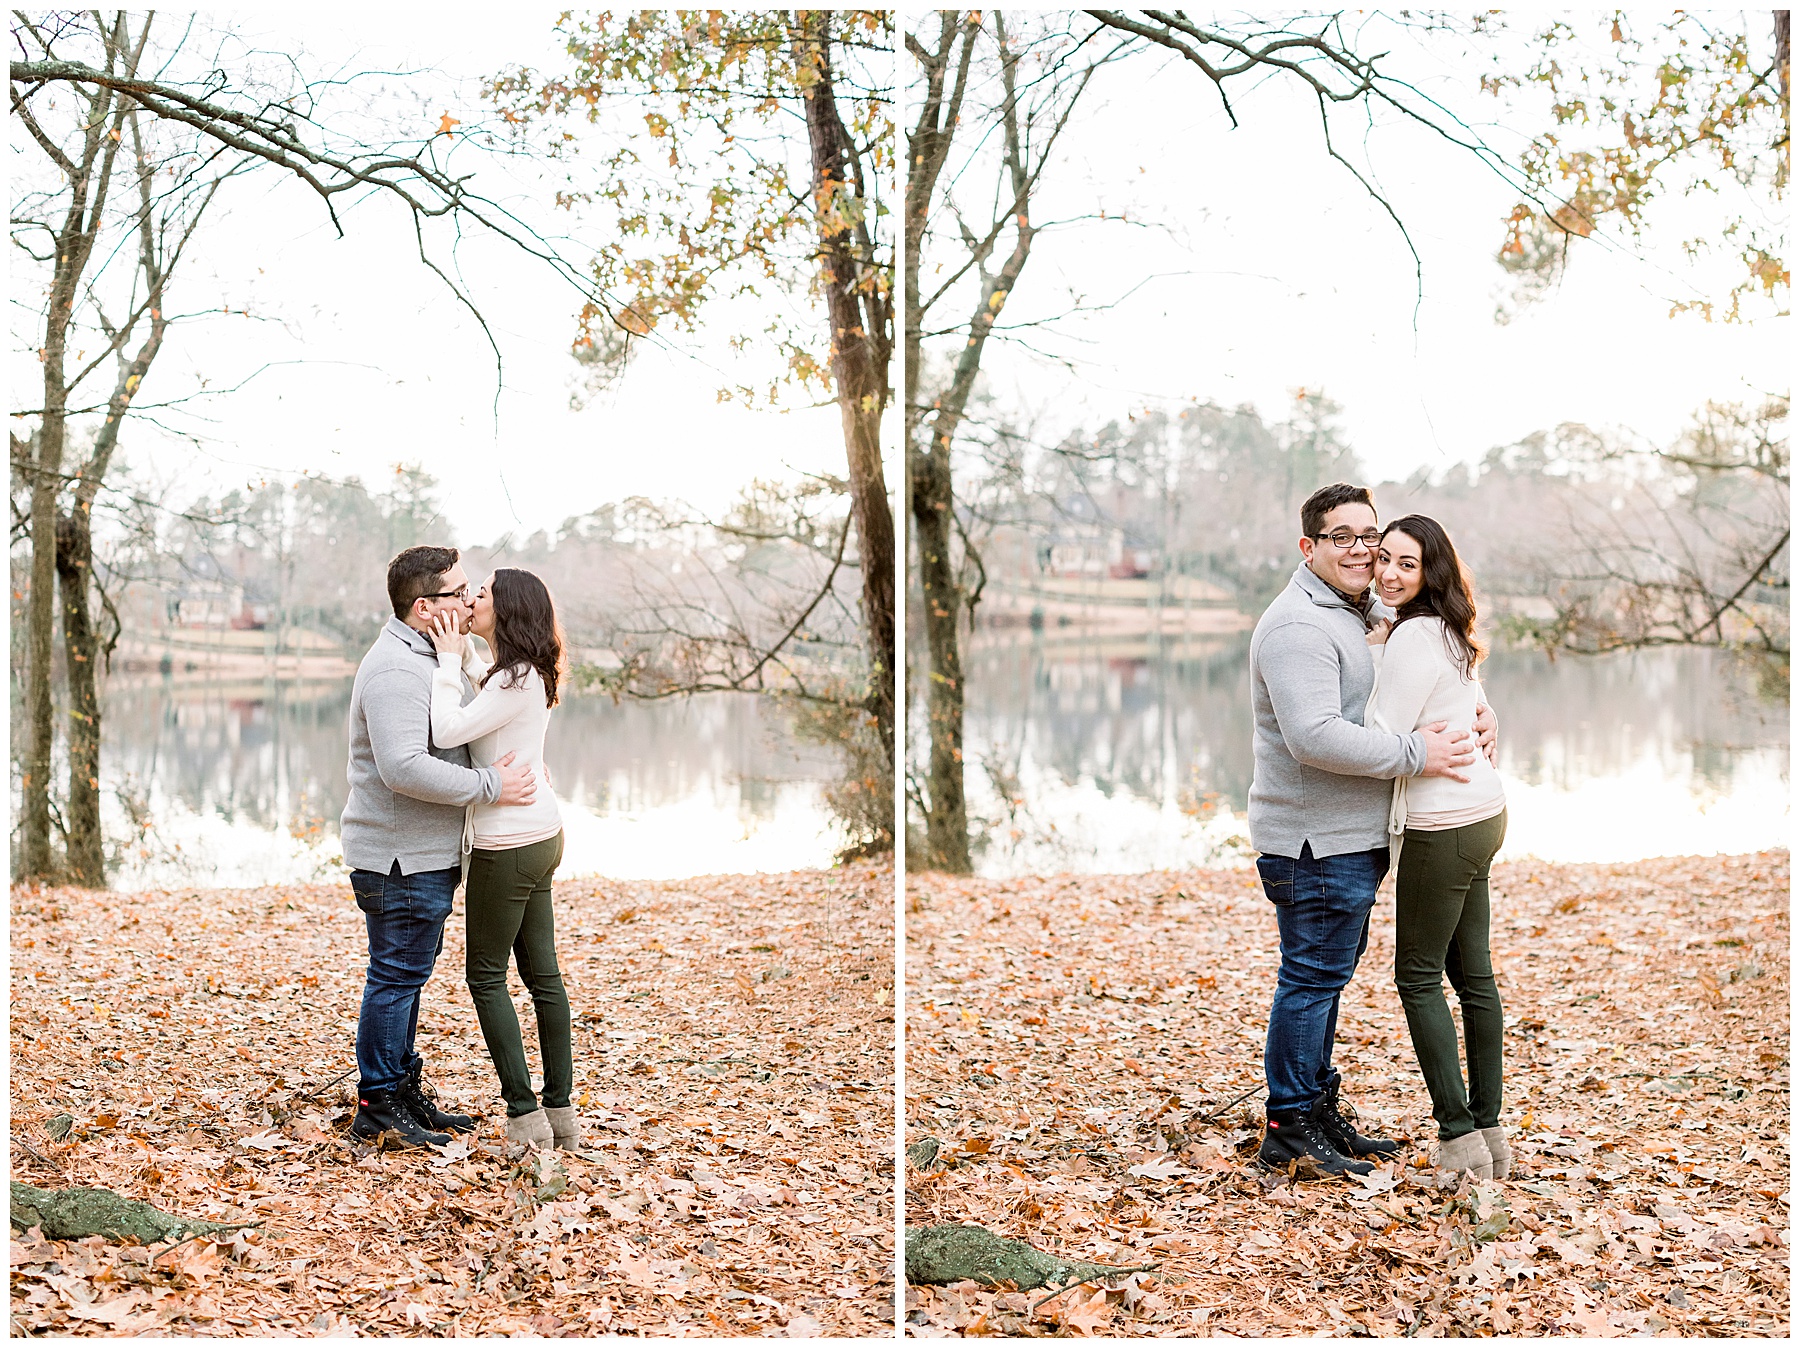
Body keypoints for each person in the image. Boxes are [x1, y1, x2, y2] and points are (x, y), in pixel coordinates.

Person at [1247, 482, 1496, 1178]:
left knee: (1325, 977)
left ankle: (1317, 1110)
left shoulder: (1360, 611)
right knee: (1310, 977)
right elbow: (1314, 737)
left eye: (1369, 535)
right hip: (1312, 840)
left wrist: (1484, 712)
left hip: (1350, 837)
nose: (1361, 550)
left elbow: (1437, 662)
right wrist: (1418, 755)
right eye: (1342, 537)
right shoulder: (1299, 626)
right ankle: (1290, 1125)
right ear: (1310, 547)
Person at [342, 545, 536, 1148]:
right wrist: (491, 787)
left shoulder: (428, 656)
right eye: (459, 592)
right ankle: (377, 1103)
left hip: (421, 852)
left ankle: (399, 1091)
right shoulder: (399, 669)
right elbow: (403, 768)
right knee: (396, 976)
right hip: (399, 856)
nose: (470, 598)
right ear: (425, 607)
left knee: (406, 975)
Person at [1368, 515, 1510, 1181]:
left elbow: (1379, 735)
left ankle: (1458, 1139)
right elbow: (1465, 709)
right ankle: (1489, 1131)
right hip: (1485, 814)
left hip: (1444, 827)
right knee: (1473, 977)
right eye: (1385, 560)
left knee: (1418, 976)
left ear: (1431, 572)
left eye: (1408, 564)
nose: (1391, 573)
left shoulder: (1412, 638)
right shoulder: (1448, 631)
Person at [427, 568, 578, 1151]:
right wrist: (462, 654)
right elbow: (490, 709)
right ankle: (560, 1114)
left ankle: (524, 1115)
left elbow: (447, 729)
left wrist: (444, 661)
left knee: (485, 976)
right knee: (543, 977)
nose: (470, 598)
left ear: (507, 608)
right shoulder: (522, 673)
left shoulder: (512, 678)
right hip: (541, 835)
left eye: (481, 592)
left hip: (509, 846)